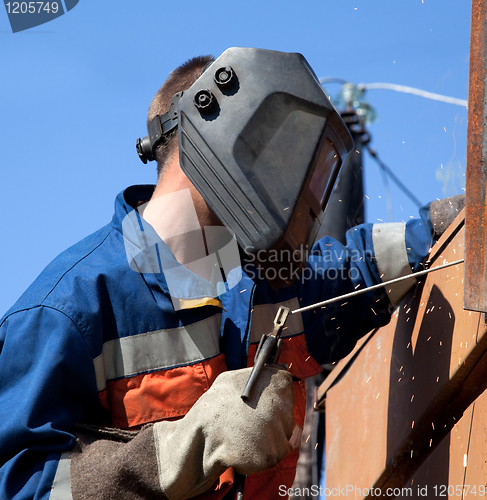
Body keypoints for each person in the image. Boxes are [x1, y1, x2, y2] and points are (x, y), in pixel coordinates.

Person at [0, 49, 463, 500]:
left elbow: (361, 264)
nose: (294, 182)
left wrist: (461, 221)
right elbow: (19, 484)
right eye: (277, 150)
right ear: (216, 129)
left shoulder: (263, 279)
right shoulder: (67, 311)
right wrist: (183, 449)